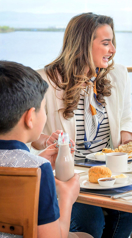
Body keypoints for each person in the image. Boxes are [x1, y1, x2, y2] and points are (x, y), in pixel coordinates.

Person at [32, 13, 132, 238]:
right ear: (83, 44)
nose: (112, 49)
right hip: (70, 176)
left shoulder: (118, 74)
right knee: (90, 220)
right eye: (105, 43)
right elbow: (34, 134)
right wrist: (48, 140)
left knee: (131, 209)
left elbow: (126, 118)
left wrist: (128, 141)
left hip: (110, 173)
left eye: (112, 42)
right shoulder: (45, 81)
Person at [0, 60, 92, 238]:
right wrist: (67, 197)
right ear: (30, 118)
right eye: (43, 109)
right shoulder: (38, 169)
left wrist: (38, 159)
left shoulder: (36, 166)